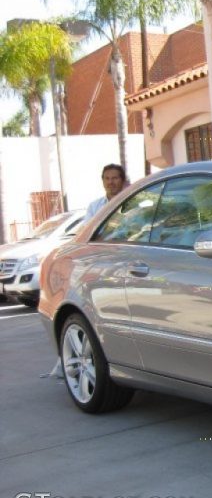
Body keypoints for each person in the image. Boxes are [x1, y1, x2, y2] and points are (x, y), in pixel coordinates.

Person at [43, 163, 127, 380]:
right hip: (101, 266)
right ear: (103, 181)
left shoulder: (133, 202)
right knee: (93, 317)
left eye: (115, 178)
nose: (111, 182)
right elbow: (89, 233)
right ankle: (76, 362)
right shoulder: (96, 206)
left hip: (124, 263)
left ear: (123, 180)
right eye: (107, 178)